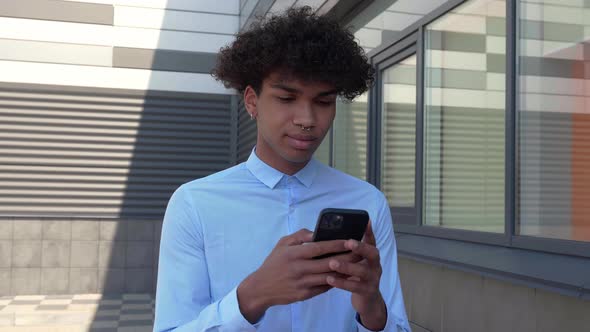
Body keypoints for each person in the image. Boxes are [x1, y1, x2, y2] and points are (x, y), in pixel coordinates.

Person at [154, 6, 410, 332]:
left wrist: (372, 307)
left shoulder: (367, 202)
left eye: (323, 101)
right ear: (252, 101)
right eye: (287, 98)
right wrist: (252, 296)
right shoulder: (194, 205)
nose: (307, 119)